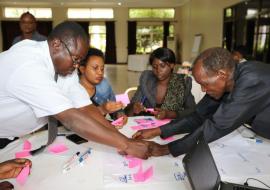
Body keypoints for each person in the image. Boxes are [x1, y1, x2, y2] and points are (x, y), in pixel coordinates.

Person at [0, 21, 151, 159]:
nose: (76, 66)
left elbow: (85, 108)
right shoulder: (28, 65)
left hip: (15, 136)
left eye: (79, 61)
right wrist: (126, 144)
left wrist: (121, 139)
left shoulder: (65, 67)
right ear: (56, 44)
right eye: (75, 59)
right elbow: (70, 118)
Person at [132, 47, 270, 157]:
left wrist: (166, 149)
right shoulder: (225, 81)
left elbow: (216, 126)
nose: (203, 90)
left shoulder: (252, 80)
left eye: (205, 84)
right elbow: (198, 115)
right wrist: (158, 130)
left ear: (221, 74)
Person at [125, 47, 195, 120]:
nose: (158, 70)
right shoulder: (147, 80)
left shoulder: (182, 83)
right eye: (154, 67)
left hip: (174, 127)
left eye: (162, 66)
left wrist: (169, 114)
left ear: (172, 65)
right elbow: (130, 108)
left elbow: (192, 110)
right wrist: (133, 107)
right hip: (149, 125)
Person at [79, 47, 128, 128]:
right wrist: (102, 109)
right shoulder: (73, 88)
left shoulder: (104, 84)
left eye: (102, 68)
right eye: (95, 68)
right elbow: (74, 119)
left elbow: (115, 105)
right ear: (82, 69)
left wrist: (119, 114)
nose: (100, 72)